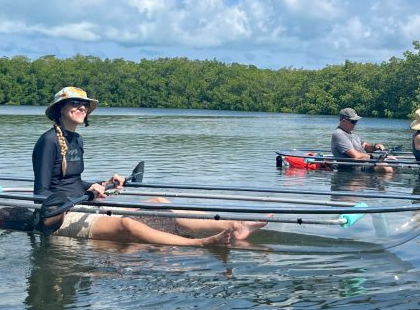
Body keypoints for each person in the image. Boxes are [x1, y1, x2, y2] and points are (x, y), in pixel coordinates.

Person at [34, 86, 265, 246]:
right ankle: (202, 243)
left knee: (159, 202)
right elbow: (41, 194)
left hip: (84, 205)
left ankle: (236, 225)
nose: (82, 108)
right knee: (126, 224)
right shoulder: (49, 141)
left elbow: (71, 181)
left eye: (85, 104)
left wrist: (100, 184)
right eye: (75, 103)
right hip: (61, 217)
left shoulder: (76, 139)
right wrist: (77, 197)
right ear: (60, 109)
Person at [330, 107, 393, 174]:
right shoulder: (338, 134)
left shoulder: (352, 134)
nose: (355, 124)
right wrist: (375, 158)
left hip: (364, 163)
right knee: (387, 169)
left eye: (356, 121)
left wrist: (375, 146)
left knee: (393, 162)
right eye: (353, 121)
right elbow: (357, 156)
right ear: (343, 121)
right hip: (353, 167)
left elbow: (365, 145)